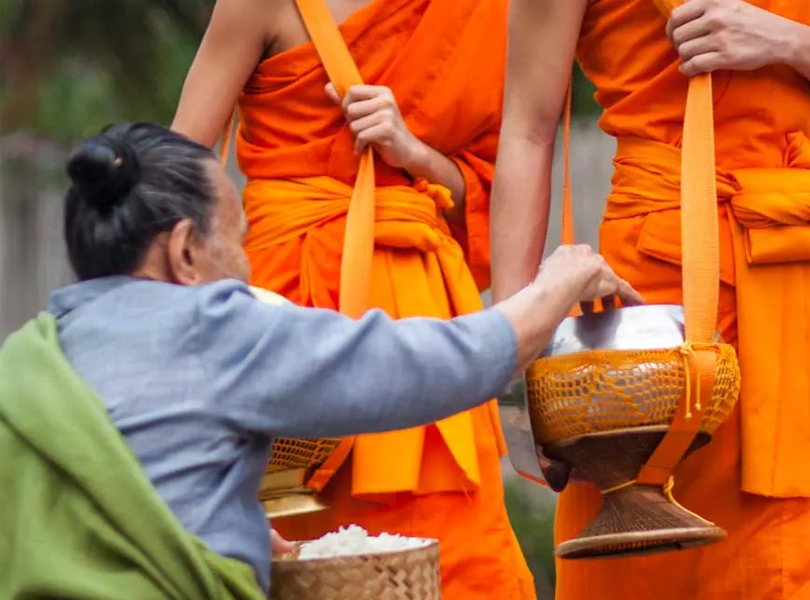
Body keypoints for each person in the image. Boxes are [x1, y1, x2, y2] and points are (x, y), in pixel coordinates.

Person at [0, 123, 640, 600]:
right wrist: (558, 282)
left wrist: (233, 522)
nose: (247, 264)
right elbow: (431, 366)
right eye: (237, 239)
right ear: (185, 253)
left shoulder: (27, 357)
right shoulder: (217, 328)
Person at [491, 1, 810, 599]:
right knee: (660, 554)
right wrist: (509, 352)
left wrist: (783, 39)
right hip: (662, 289)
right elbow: (527, 128)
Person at [169, 1, 541, 597]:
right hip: (289, 311)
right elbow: (172, 179)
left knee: (457, 557)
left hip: (422, 315)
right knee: (293, 550)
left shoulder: (480, 11)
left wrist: (412, 152)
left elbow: (498, 194)